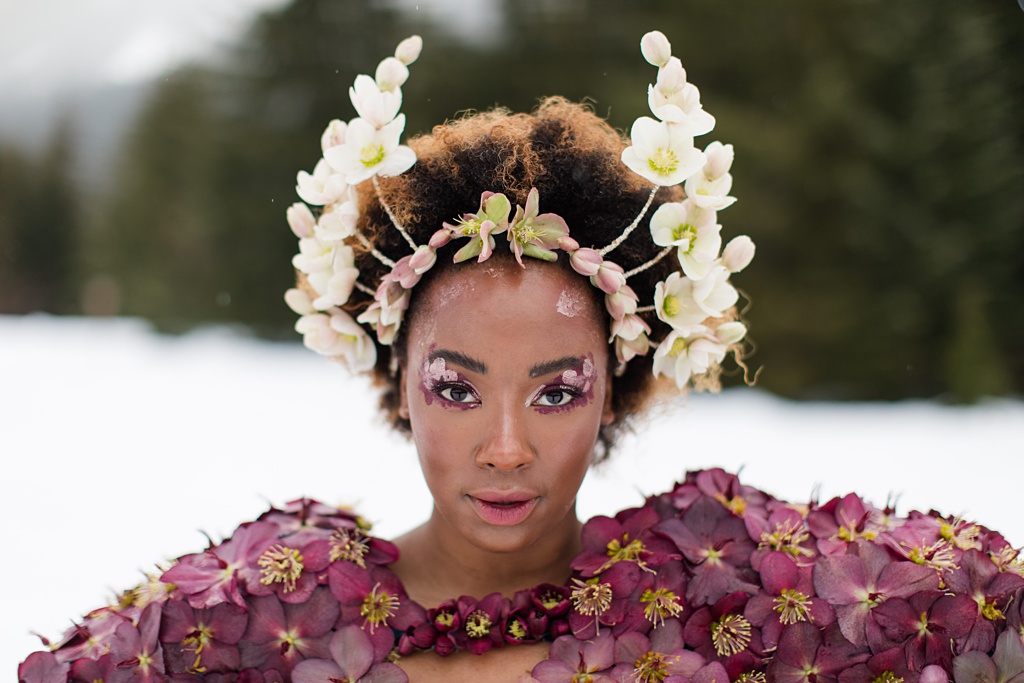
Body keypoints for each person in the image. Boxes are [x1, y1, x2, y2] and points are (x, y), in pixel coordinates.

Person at [18, 31, 1022, 683]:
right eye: (457, 386)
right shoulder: (269, 608)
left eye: (557, 389)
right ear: (400, 383)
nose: (505, 446)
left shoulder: (731, 591)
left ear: (616, 389)